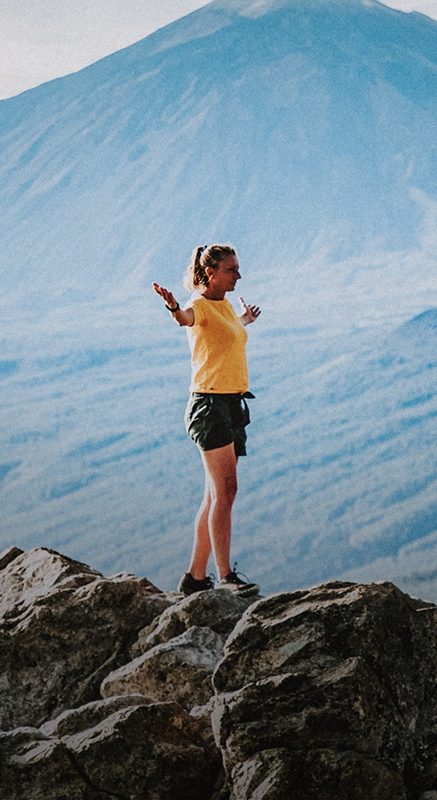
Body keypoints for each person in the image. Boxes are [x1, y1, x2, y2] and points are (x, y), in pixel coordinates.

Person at [153, 244, 261, 598]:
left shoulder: (224, 306)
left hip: (229, 403)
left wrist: (244, 320)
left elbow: (225, 331)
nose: (238, 275)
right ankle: (226, 576)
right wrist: (172, 307)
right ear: (211, 272)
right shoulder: (198, 305)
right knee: (226, 492)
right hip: (209, 405)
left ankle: (195, 579)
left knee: (215, 495)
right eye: (231, 269)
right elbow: (186, 319)